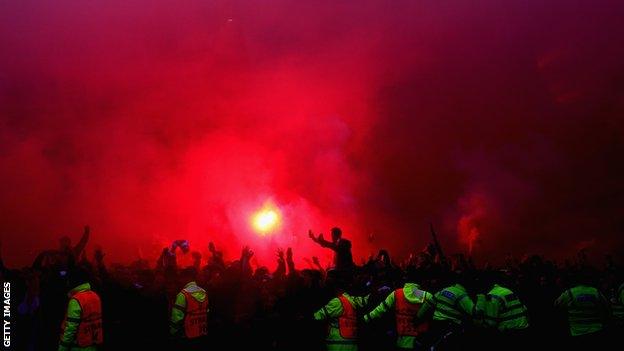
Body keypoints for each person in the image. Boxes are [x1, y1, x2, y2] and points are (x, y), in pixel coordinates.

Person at [363, 268, 434, 350]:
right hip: (420, 342)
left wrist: (365, 319)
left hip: (401, 342)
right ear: (420, 281)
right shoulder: (425, 295)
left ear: (406, 279)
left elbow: (379, 310)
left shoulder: (397, 293)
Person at [554, 269, 611, 350]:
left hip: (577, 332)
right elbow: (606, 306)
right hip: (596, 330)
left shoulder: (569, 293)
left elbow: (556, 304)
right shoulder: (595, 291)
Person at [314, 270, 369, 351]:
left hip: (337, 345)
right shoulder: (351, 299)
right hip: (352, 344)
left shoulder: (337, 302)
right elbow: (367, 299)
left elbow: (316, 317)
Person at [58, 266, 103, 351]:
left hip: (78, 346)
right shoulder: (95, 296)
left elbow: (70, 328)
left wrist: (62, 348)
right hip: (93, 345)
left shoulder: (76, 299)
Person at [170, 267, 209, 348]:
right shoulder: (203, 292)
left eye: (181, 277)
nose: (180, 280)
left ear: (186, 277)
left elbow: (176, 317)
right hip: (201, 333)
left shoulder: (183, 294)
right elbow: (207, 312)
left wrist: (173, 333)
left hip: (187, 336)